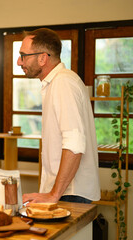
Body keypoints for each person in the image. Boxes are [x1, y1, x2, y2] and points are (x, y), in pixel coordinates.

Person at [19, 28, 100, 204]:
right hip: (66, 191)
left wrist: (54, 194)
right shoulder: (57, 82)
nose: (19, 61)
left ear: (42, 58)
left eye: (23, 55)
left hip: (70, 193)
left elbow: (75, 144)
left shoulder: (63, 82)